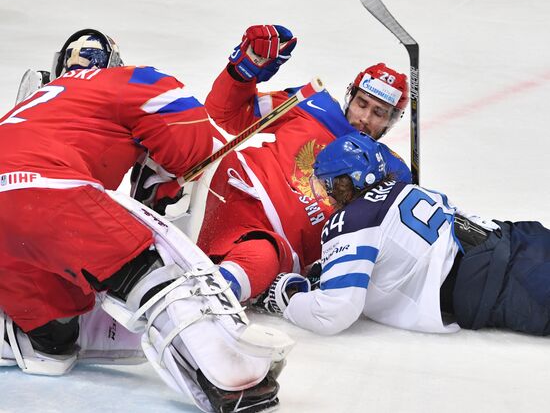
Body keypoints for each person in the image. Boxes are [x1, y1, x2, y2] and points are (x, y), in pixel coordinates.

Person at [0, 29, 293, 413]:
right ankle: (233, 378)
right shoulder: (125, 80)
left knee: (53, 336)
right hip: (48, 190)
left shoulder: (35, 103)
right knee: (148, 268)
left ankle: (41, 338)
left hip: (18, 224)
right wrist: (162, 175)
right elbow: (193, 142)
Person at [191, 24, 412, 304]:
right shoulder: (314, 104)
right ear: (350, 96)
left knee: (260, 263)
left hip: (268, 240)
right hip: (226, 184)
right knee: (186, 134)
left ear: (392, 121)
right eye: (361, 103)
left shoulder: (391, 170)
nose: (364, 118)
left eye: (379, 113)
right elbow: (228, 115)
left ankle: (197, 299)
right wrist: (245, 70)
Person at [271, 130, 550, 338]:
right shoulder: (406, 188)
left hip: (500, 283)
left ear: (351, 180)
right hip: (517, 237)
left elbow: (332, 312)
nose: (326, 195)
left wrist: (290, 301)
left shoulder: (351, 220)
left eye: (327, 184)